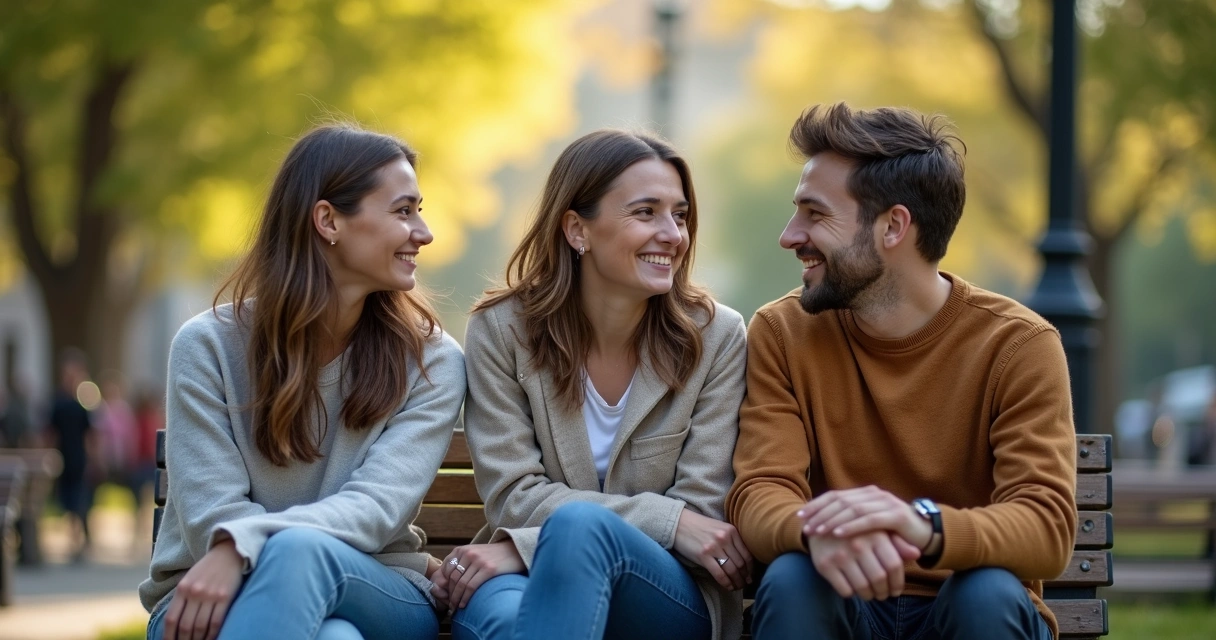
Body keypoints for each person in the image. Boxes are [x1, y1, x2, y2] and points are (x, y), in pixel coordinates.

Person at [726, 103, 1077, 640]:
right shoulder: (782, 332)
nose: (790, 235)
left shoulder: (1018, 345)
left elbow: (1046, 525)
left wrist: (923, 525)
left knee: (986, 592)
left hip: (967, 610)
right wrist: (817, 531)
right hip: (840, 600)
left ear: (893, 226)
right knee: (795, 579)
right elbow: (760, 490)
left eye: (815, 214)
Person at [139, 123, 466, 640]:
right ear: (328, 220)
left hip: (374, 589)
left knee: (300, 554)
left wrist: (244, 543)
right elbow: (211, 518)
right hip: (208, 600)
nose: (423, 233)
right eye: (403, 211)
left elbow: (375, 510)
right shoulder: (207, 347)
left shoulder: (432, 362)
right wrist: (238, 545)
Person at [437, 129, 750, 640]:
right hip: (530, 573)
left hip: (666, 591)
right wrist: (668, 521)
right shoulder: (502, 330)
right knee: (502, 618)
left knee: (577, 526)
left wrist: (525, 545)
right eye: (645, 212)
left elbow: (702, 512)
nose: (673, 234)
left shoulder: (716, 336)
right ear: (577, 229)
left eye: (680, 215)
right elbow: (513, 495)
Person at [48, 348, 96, 562]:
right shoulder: (58, 402)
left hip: (79, 457)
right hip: (64, 457)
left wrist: (94, 458)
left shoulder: (84, 400)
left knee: (80, 497)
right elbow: (51, 432)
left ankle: (80, 538)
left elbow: (90, 433)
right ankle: (75, 537)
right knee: (68, 499)